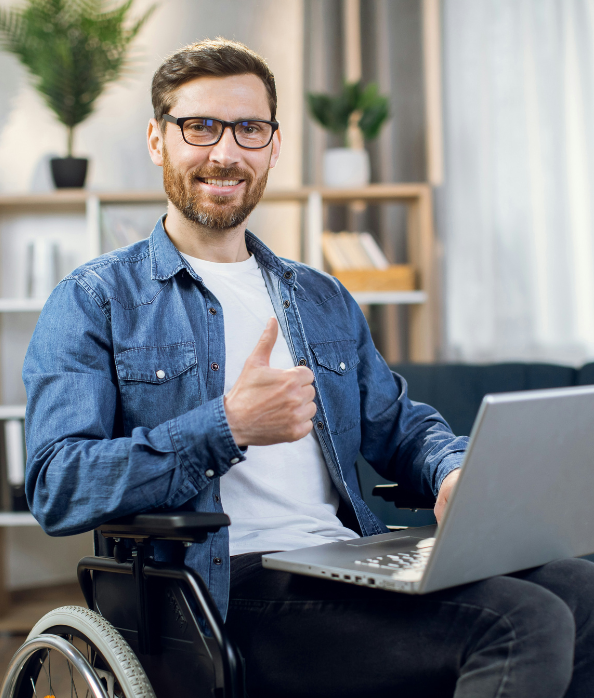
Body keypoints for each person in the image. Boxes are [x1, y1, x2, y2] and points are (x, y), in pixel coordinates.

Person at [23, 38, 594, 698]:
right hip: (222, 588)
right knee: (522, 624)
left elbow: (400, 427)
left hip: (345, 558)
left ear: (273, 144)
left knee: (580, 591)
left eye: (249, 128)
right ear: (158, 140)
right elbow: (56, 483)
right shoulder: (96, 298)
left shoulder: (319, 297)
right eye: (200, 126)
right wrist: (225, 426)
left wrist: (451, 469)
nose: (226, 152)